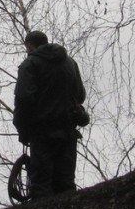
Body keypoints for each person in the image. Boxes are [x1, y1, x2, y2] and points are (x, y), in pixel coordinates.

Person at [13, 30, 87, 199]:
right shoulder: (71, 63)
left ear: (30, 45)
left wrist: (23, 130)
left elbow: (23, 100)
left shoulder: (29, 64)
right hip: (68, 132)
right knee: (66, 184)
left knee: (41, 185)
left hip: (42, 134)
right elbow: (80, 96)